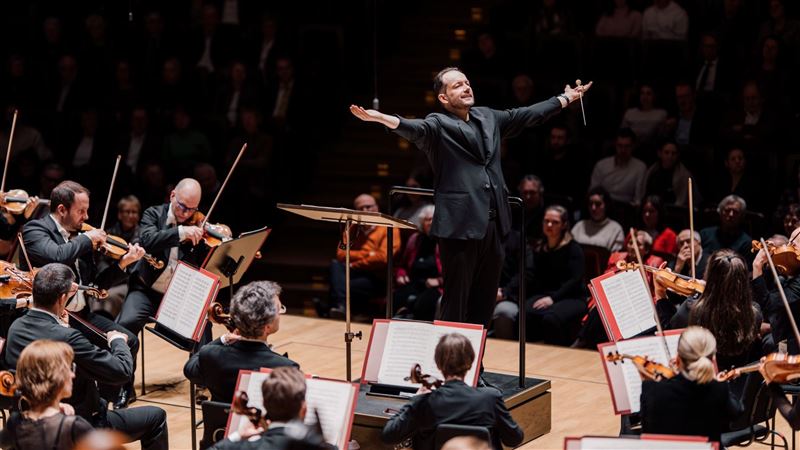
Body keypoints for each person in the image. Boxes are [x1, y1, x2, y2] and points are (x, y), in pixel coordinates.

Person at [350, 67, 590, 329]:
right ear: (443, 98)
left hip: (494, 225)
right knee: (455, 302)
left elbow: (526, 115)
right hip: (459, 227)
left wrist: (564, 99)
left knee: (484, 303)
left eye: (466, 82)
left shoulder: (487, 116)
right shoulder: (438, 124)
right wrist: (382, 118)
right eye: (457, 85)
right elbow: (415, 129)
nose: (466, 87)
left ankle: (475, 355)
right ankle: (448, 356)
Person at [4, 263, 168, 449]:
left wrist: (62, 325)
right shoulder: (68, 337)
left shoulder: (16, 328)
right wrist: (118, 341)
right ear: (62, 298)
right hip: (78, 424)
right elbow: (121, 371)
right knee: (156, 417)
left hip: (34, 421)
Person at [22, 180, 145, 408]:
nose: (86, 217)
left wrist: (122, 264)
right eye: (81, 211)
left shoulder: (80, 236)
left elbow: (94, 285)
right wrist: (86, 240)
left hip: (81, 315)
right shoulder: (35, 230)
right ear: (62, 210)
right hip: (53, 320)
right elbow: (56, 255)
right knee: (87, 363)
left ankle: (108, 403)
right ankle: (94, 405)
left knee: (129, 341)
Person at [381, 333, 523, 450]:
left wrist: (415, 400)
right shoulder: (490, 398)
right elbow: (514, 439)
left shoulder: (424, 402)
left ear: (438, 364)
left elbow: (389, 435)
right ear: (471, 363)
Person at [116, 178, 207, 339]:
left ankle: (201, 357)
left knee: (202, 326)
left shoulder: (197, 224)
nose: (186, 213)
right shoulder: (153, 214)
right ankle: (121, 355)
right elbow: (148, 240)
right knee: (126, 324)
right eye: (182, 206)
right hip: (146, 290)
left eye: (192, 209)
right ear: (172, 196)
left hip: (178, 296)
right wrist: (181, 232)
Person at [184, 280, 298, 402]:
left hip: (219, 415)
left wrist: (222, 339)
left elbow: (189, 368)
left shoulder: (210, 355)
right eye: (279, 310)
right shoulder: (285, 368)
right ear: (267, 327)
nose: (281, 313)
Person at [493, 205, 586, 344]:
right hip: (547, 295)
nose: (549, 225)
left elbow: (575, 280)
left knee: (551, 318)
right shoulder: (540, 248)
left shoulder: (574, 249)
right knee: (524, 313)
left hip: (571, 297)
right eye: (546, 221)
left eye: (555, 222)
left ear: (564, 225)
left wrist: (553, 298)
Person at [662, 250, 762, 372]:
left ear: (709, 277)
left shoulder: (694, 311)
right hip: (739, 379)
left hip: (704, 378)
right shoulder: (754, 313)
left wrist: (660, 294)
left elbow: (669, 330)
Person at [640, 326, 743, 442]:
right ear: (712, 358)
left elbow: (649, 434)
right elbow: (736, 412)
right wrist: (716, 380)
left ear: (678, 358)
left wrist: (646, 383)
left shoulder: (653, 390)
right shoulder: (718, 388)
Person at [0, 340, 94, 450]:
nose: (72, 375)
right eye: (69, 368)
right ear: (54, 376)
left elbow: (3, 443)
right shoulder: (74, 426)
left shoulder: (15, 422)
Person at [210, 366, 328, 450]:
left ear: (264, 404)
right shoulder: (322, 447)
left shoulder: (245, 447)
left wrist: (238, 436)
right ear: (304, 410)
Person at [325, 193, 401, 317]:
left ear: (377, 207)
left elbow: (383, 258)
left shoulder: (389, 227)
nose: (365, 210)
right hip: (356, 272)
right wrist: (369, 253)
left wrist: (355, 263)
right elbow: (341, 254)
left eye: (368, 206)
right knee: (335, 265)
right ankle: (339, 308)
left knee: (339, 283)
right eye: (360, 208)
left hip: (377, 276)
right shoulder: (352, 228)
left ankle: (336, 308)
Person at [393, 205, 442, 321]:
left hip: (435, 286)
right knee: (398, 296)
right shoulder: (415, 239)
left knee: (425, 302)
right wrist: (401, 274)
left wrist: (439, 281)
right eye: (427, 219)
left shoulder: (444, 242)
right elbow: (402, 265)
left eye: (434, 219)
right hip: (414, 282)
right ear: (422, 222)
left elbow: (454, 272)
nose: (431, 222)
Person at [589, 128, 645, 205]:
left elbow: (638, 199)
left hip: (626, 206)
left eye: (627, 146)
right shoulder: (601, 165)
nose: (623, 150)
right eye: (620, 146)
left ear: (633, 146)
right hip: (604, 204)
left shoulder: (640, 167)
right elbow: (593, 192)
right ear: (615, 145)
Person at [699, 195, 752, 262]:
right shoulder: (705, 234)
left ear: (742, 216)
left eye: (735, 212)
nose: (731, 214)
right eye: (727, 210)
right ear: (720, 212)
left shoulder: (746, 242)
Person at [571, 187, 625, 252]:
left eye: (598, 204)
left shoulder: (616, 229)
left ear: (606, 206)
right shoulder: (579, 226)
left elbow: (616, 255)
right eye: (590, 204)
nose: (593, 208)